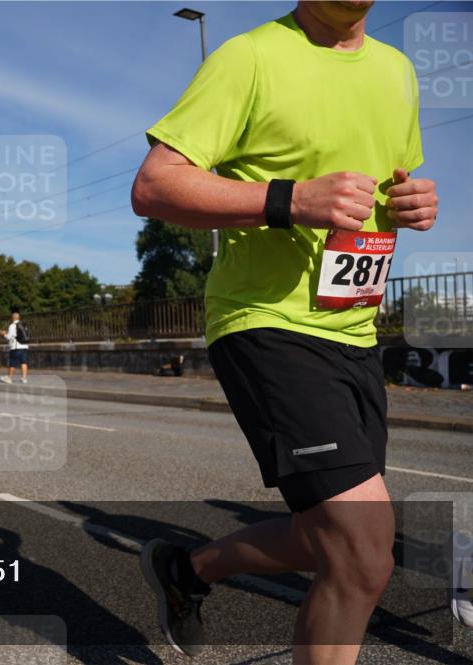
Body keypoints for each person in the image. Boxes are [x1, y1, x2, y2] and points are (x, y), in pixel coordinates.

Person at [130, 2, 437, 661]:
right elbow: (155, 185)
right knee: (361, 549)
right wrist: (290, 199)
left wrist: (410, 204)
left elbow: (385, 189)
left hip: (355, 329)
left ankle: (188, 570)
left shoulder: (398, 71)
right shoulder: (250, 57)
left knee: (328, 534)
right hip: (266, 323)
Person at [0, 311, 29, 384]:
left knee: (12, 362)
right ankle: (24, 378)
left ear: (12, 318)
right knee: (24, 362)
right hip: (24, 346)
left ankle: (9, 378)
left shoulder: (12, 325)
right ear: (19, 318)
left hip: (16, 347)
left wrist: (3, 334)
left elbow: (9, 337)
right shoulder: (24, 325)